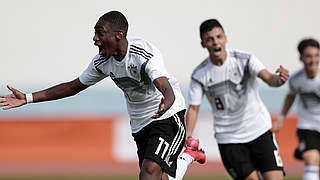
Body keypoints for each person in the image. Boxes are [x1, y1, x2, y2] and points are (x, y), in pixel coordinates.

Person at [0, 11, 205, 180]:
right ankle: (188, 155)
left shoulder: (144, 53)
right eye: (95, 33)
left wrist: (166, 103)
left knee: (149, 173)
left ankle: (186, 155)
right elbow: (73, 87)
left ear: (119, 34)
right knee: (157, 177)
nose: (95, 39)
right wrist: (27, 98)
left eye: (100, 33)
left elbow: (165, 86)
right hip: (140, 123)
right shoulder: (102, 62)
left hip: (168, 116)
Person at [185, 19, 289, 180]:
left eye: (219, 37)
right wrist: (188, 135)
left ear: (225, 38)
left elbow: (268, 78)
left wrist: (279, 79)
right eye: (209, 39)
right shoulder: (199, 74)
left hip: (259, 130)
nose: (215, 42)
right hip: (229, 139)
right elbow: (193, 108)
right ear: (203, 44)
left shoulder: (245, 59)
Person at [273, 38, 320, 180]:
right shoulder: (296, 80)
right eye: (308, 56)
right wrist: (281, 119)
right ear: (301, 58)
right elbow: (290, 97)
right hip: (308, 127)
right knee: (312, 159)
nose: (313, 60)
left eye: (316, 55)